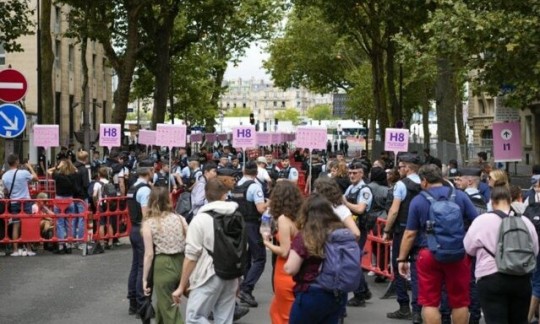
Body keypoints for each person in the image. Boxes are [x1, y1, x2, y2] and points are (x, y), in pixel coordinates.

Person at [398, 164, 478, 324]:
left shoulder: (418, 200)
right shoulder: (460, 196)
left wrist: (401, 258)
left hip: (428, 253)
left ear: (425, 181)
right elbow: (477, 222)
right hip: (457, 253)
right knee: (460, 301)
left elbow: (409, 234)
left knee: (430, 302)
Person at [465, 186, 539, 324]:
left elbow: (468, 248)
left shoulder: (481, 221)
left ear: (492, 202)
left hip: (490, 278)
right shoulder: (525, 221)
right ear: (510, 200)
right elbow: (534, 250)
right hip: (521, 278)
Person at [172, 179, 241, 323]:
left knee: (194, 317)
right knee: (224, 319)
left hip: (208, 273)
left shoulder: (200, 219)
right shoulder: (237, 216)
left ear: (205, 194)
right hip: (232, 272)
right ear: (224, 195)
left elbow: (191, 256)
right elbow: (242, 248)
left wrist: (181, 285)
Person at [284, 193, 347, 323]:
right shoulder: (340, 232)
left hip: (312, 290)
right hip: (337, 291)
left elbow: (291, 269)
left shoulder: (305, 236)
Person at [382, 154, 422, 322]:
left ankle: (404, 306)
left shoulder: (401, 185)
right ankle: (418, 310)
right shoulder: (425, 183)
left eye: (400, 167)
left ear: (406, 167)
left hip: (402, 231)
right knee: (418, 271)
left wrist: (387, 229)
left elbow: (394, 211)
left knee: (399, 267)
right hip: (420, 232)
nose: (399, 170)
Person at [142, 187, 188, 324]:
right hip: (181, 261)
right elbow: (191, 241)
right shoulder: (180, 219)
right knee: (163, 306)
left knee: (168, 307)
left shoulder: (149, 223)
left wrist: (144, 278)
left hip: (163, 263)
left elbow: (149, 254)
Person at [261, 181, 303, 324]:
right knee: (281, 310)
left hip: (285, 270)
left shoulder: (284, 219)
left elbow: (285, 251)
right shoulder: (302, 216)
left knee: (283, 314)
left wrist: (266, 243)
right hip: (301, 268)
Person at [232, 160, 269, 307]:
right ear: (256, 173)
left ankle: (245, 287)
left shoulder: (237, 186)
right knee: (260, 258)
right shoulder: (255, 187)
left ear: (243, 171)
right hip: (252, 224)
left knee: (246, 257)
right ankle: (246, 289)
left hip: (238, 224)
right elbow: (260, 209)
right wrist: (269, 203)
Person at [342, 162, 372, 307]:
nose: (352, 175)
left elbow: (360, 209)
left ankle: (360, 294)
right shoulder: (351, 188)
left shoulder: (365, 190)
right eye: (350, 173)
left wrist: (345, 203)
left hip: (358, 230)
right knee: (352, 261)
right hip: (350, 228)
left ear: (362, 174)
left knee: (353, 262)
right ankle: (364, 290)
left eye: (355, 173)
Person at [126, 159, 154, 316]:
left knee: (136, 266)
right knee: (144, 267)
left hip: (134, 228)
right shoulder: (144, 190)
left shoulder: (132, 188)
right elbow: (146, 213)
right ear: (148, 172)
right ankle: (141, 303)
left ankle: (133, 302)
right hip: (142, 228)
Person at [2, 154, 39, 256]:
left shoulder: (5, 176)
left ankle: (15, 250)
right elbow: (36, 178)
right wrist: (30, 167)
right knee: (27, 224)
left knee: (16, 225)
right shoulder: (23, 173)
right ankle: (28, 249)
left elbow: (5, 190)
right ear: (17, 162)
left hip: (14, 202)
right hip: (26, 201)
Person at [47, 159, 79, 254]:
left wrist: (57, 166)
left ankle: (61, 245)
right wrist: (69, 164)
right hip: (69, 199)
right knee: (70, 222)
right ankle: (69, 244)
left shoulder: (57, 175)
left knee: (60, 223)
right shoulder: (73, 175)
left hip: (59, 199)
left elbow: (48, 171)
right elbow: (76, 170)